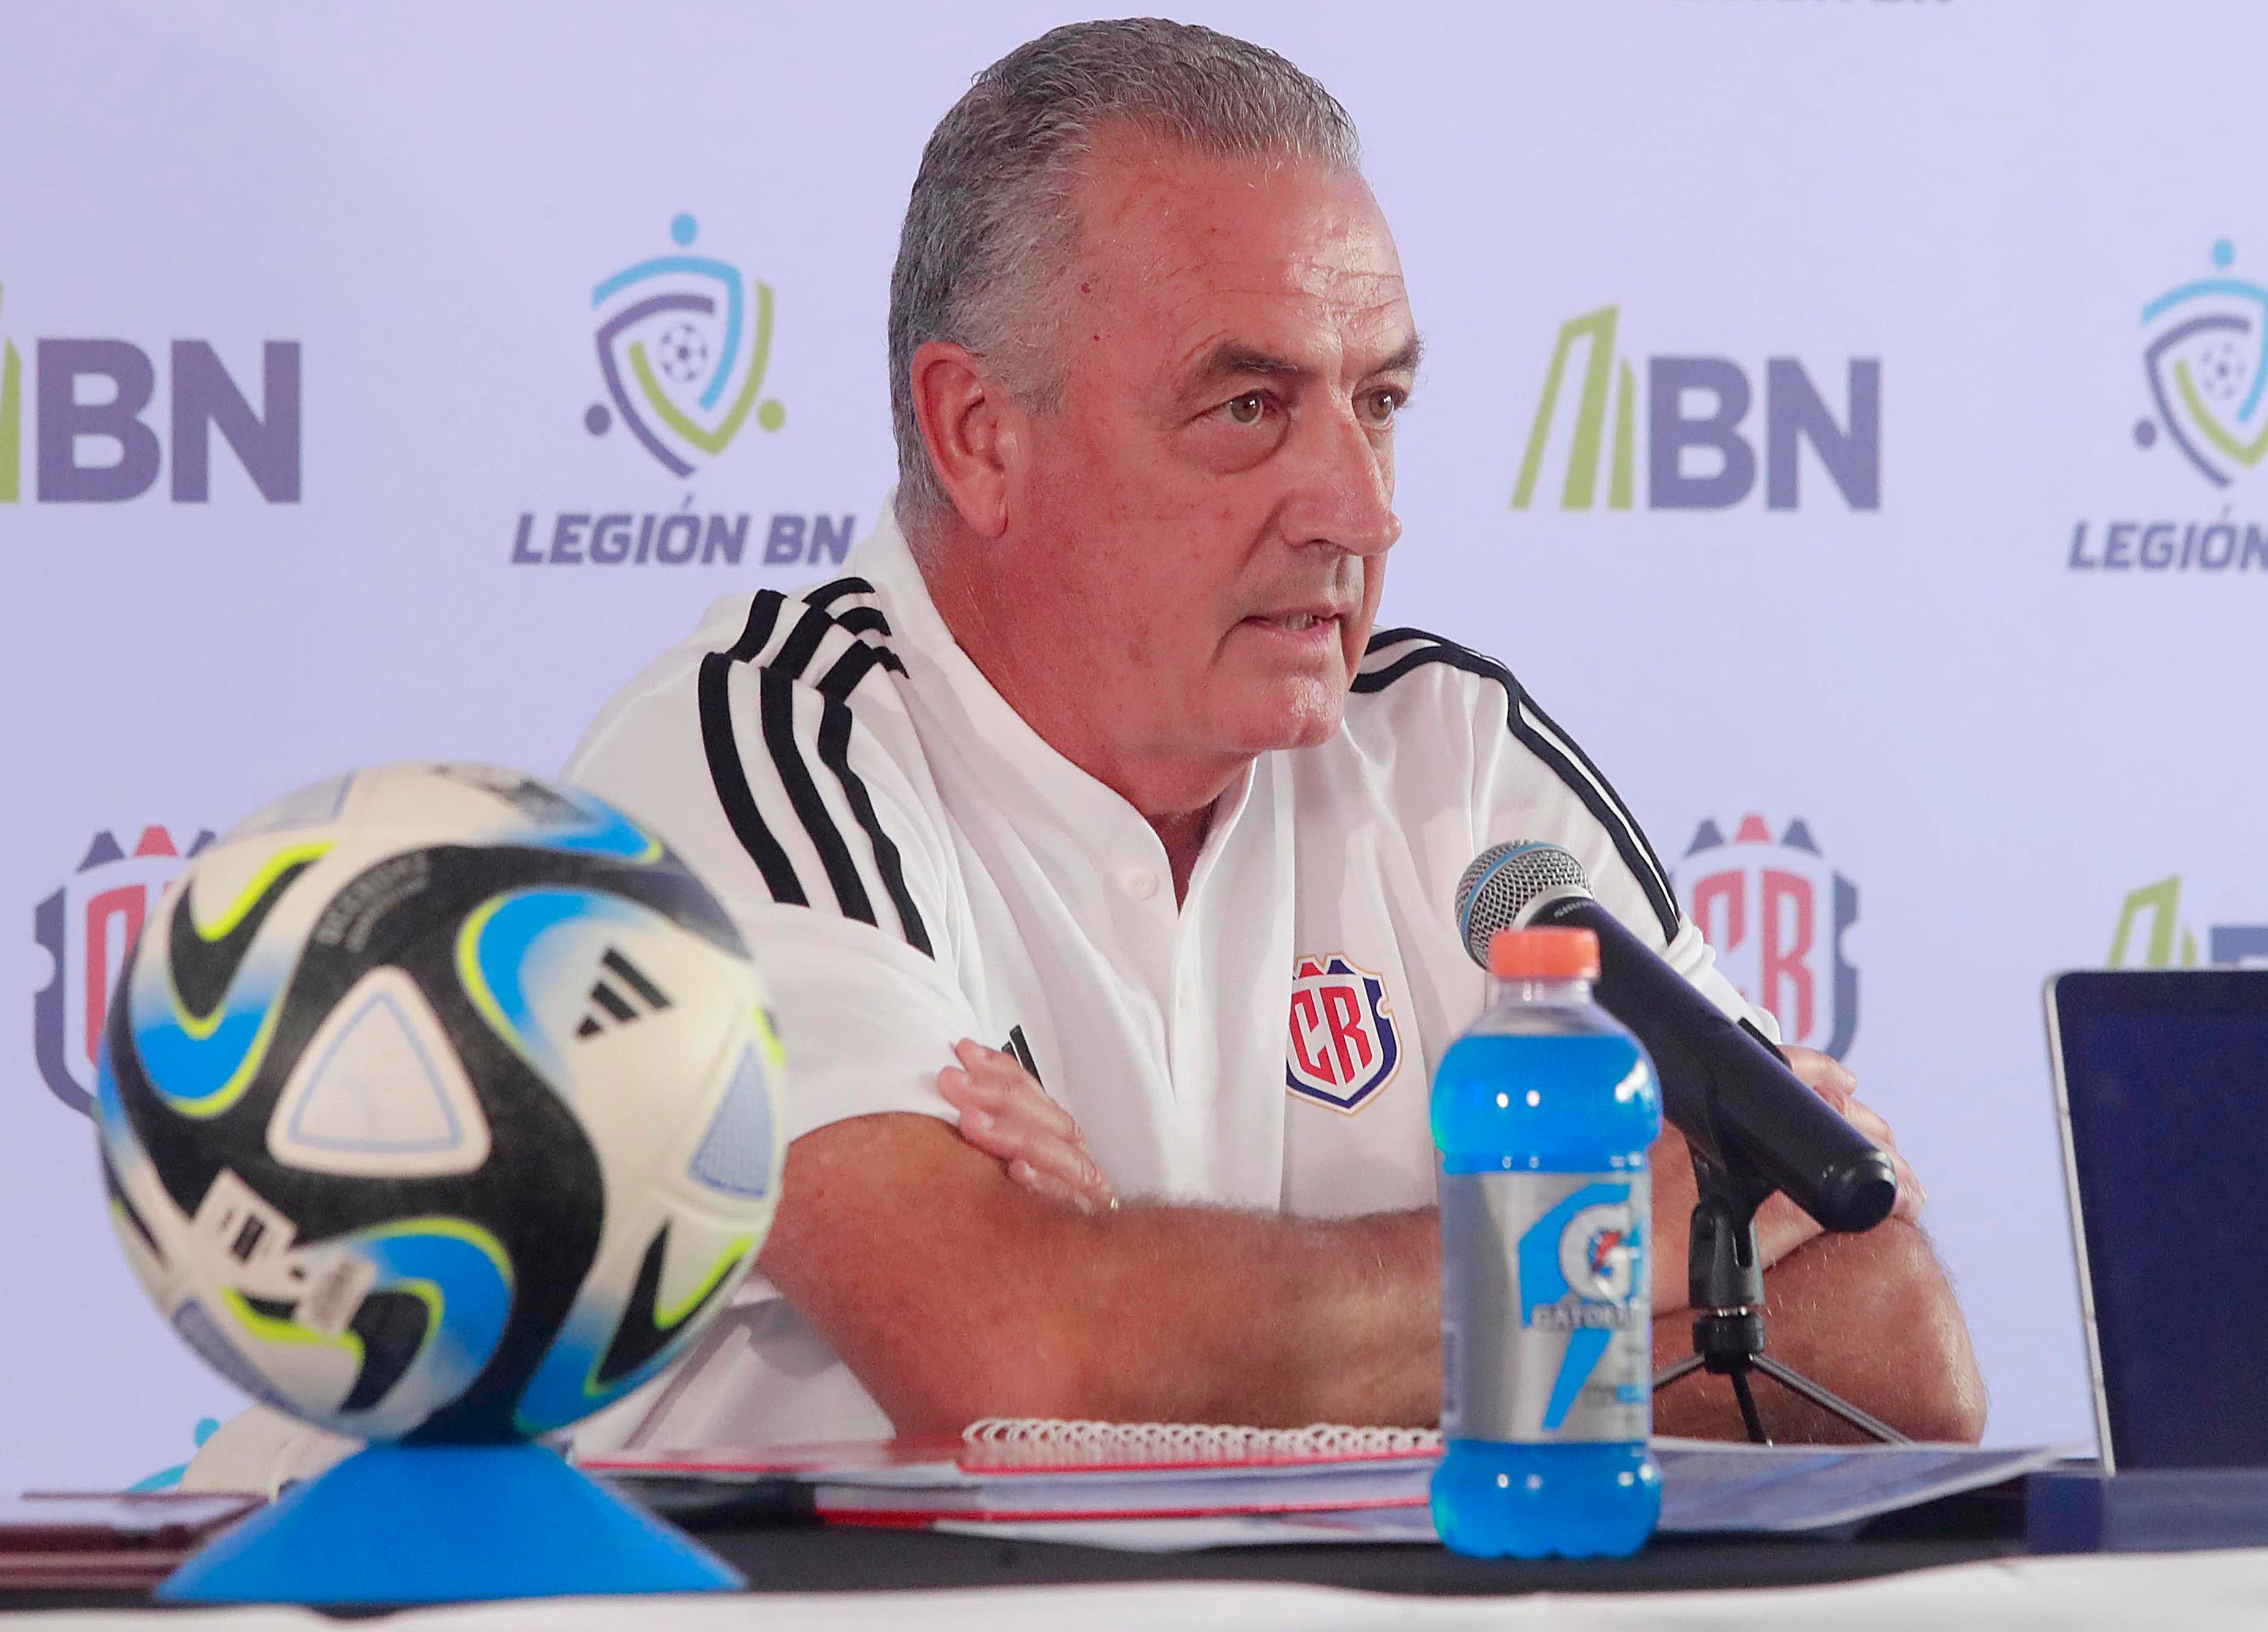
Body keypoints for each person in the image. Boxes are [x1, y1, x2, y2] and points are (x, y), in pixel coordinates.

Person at [566, 18, 1985, 1452]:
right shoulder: (762, 742)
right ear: (979, 434)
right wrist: (1605, 1233)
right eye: (1246, 406)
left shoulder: (1454, 754)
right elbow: (1021, 1360)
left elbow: (1887, 1342)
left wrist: (1163, 1318)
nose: (1358, 509)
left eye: (1377, 403)